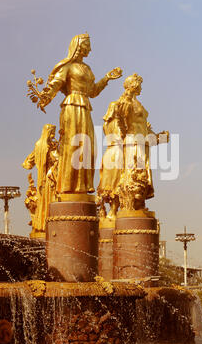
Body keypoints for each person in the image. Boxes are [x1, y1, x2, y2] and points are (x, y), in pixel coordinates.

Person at [39, 33, 122, 198]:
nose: (90, 49)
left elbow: (92, 92)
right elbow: (56, 84)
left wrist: (107, 78)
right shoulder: (68, 66)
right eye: (87, 45)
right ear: (78, 46)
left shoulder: (87, 69)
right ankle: (68, 186)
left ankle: (83, 185)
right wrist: (45, 96)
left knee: (87, 146)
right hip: (71, 106)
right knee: (72, 145)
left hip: (85, 107)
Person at [97, 73, 169, 218]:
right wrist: (120, 135)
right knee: (132, 174)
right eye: (139, 84)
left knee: (141, 176)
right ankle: (127, 205)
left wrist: (159, 138)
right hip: (132, 143)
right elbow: (115, 121)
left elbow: (144, 128)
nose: (141, 87)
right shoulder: (124, 102)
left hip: (142, 143)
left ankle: (138, 204)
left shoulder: (137, 104)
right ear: (133, 85)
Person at [23, 124, 58, 236]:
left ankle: (42, 224)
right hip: (48, 179)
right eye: (52, 132)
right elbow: (56, 158)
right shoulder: (46, 146)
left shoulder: (39, 144)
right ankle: (46, 224)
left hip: (44, 179)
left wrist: (27, 162)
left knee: (45, 201)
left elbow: (29, 162)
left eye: (54, 133)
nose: (53, 135)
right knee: (48, 200)